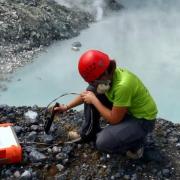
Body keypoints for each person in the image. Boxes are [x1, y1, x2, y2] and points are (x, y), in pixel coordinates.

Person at [54, 49, 158, 159]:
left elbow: (114, 119)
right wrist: (66, 107)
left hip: (143, 120)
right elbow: (87, 94)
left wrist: (94, 100)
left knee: (103, 143)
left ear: (104, 74)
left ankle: (137, 144)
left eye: (93, 81)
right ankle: (89, 133)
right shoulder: (107, 74)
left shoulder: (123, 86)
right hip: (127, 110)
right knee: (91, 92)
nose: (92, 84)